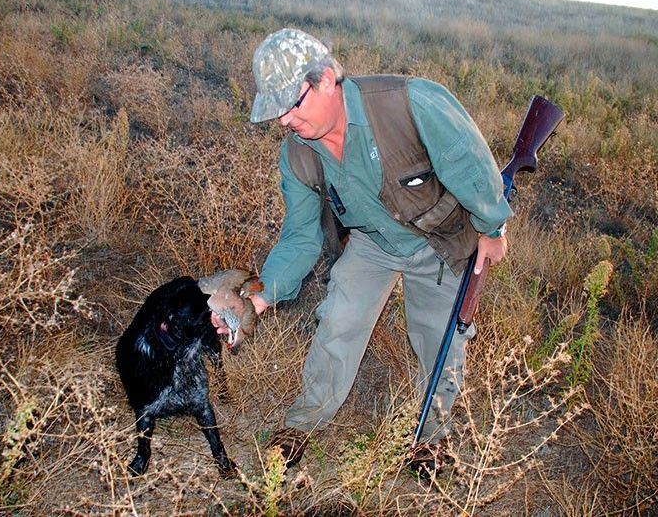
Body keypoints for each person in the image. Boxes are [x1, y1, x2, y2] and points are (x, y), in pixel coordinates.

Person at [215, 28, 513, 471]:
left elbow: (472, 163)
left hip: (440, 240)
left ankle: (432, 440)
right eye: (275, 113)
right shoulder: (297, 154)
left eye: (291, 106)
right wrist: (256, 301)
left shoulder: (410, 102)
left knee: (439, 339)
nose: (284, 122)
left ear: (326, 80)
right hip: (372, 243)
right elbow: (299, 237)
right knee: (339, 322)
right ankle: (301, 425)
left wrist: (491, 228)